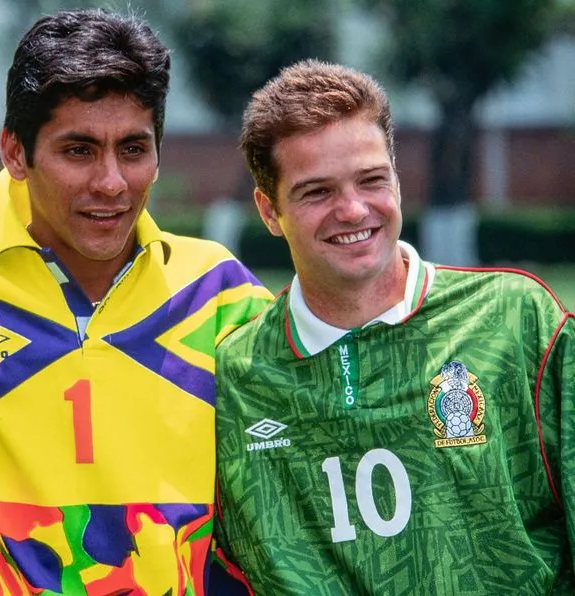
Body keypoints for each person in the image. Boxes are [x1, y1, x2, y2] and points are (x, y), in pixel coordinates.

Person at [0, 9, 273, 594]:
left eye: (133, 149)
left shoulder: (222, 295)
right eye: (79, 150)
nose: (111, 182)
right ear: (15, 152)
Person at [215, 59, 575, 594]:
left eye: (372, 180)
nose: (353, 210)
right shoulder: (233, 381)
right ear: (269, 212)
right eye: (317, 192)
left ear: (397, 181)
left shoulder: (519, 319)